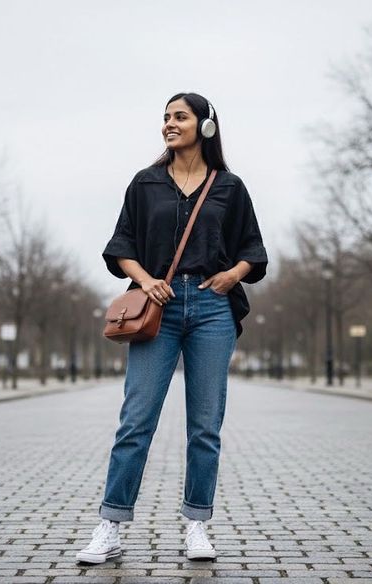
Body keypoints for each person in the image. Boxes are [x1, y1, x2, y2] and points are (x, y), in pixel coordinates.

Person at [76, 92, 268, 564]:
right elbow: (121, 246)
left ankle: (197, 525)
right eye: (165, 117)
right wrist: (146, 280)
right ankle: (111, 525)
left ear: (205, 126)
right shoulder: (145, 184)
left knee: (205, 427)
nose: (169, 124)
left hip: (211, 309)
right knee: (136, 421)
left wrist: (232, 275)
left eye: (179, 117)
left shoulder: (230, 187)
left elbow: (253, 249)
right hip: (156, 311)